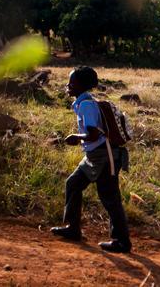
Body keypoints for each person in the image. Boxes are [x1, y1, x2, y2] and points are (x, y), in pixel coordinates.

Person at [50, 66, 132, 253]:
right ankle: (73, 228)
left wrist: (75, 137)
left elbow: (93, 134)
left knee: (109, 197)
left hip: (105, 155)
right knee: (73, 184)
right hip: (96, 155)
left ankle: (122, 241)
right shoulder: (85, 102)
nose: (68, 85)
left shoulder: (86, 105)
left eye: (72, 82)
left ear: (81, 85)